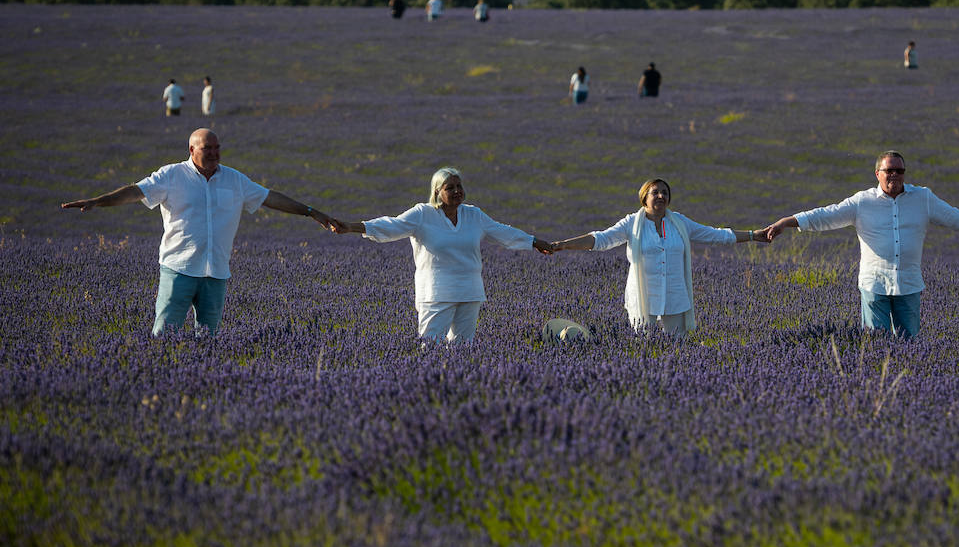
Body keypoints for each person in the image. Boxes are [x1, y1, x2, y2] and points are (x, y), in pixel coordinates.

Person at [61, 129, 338, 336]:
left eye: (218, 148)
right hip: (178, 270)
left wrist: (311, 211)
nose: (215, 153)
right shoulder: (171, 176)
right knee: (164, 337)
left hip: (216, 273)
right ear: (191, 149)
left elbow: (270, 198)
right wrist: (98, 200)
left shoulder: (234, 179)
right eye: (208, 148)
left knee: (208, 340)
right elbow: (136, 191)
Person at [765, 151, 959, 338]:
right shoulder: (862, 202)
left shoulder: (923, 198)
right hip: (874, 284)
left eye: (899, 170)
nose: (894, 174)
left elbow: (957, 217)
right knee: (876, 344)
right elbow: (826, 215)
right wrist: (787, 222)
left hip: (909, 283)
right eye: (889, 170)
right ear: (877, 174)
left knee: (909, 345)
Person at [331, 168, 554, 343]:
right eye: (450, 187)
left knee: (463, 348)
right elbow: (391, 225)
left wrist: (533, 242)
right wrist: (352, 227)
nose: (457, 191)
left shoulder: (473, 214)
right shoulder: (422, 214)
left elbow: (502, 231)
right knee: (431, 347)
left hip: (470, 291)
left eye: (459, 186)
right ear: (437, 191)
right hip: (436, 293)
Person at [547, 179, 769, 337]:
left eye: (665, 192)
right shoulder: (631, 224)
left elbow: (716, 235)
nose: (661, 196)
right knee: (644, 346)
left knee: (677, 348)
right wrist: (563, 245)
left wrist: (752, 235)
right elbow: (600, 240)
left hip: (675, 296)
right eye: (655, 192)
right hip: (644, 299)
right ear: (645, 198)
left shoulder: (679, 223)